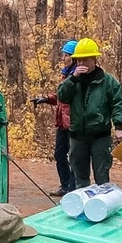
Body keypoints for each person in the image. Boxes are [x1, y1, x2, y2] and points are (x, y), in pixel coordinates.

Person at [57, 38, 122, 188]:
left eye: (85, 60)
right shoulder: (72, 81)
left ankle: (102, 207)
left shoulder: (108, 82)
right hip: (77, 137)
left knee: (102, 178)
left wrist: (119, 126)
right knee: (80, 179)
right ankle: (82, 208)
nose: (81, 64)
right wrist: (73, 78)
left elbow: (118, 104)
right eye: (78, 61)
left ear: (94, 59)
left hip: (100, 137)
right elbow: (62, 96)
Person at [33, 40, 79, 196]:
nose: (63, 58)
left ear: (74, 57)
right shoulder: (66, 74)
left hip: (73, 123)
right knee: (60, 154)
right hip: (62, 123)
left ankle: (73, 187)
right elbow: (61, 96)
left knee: (73, 156)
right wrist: (45, 98)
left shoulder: (78, 76)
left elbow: (69, 98)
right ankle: (66, 185)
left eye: (66, 55)